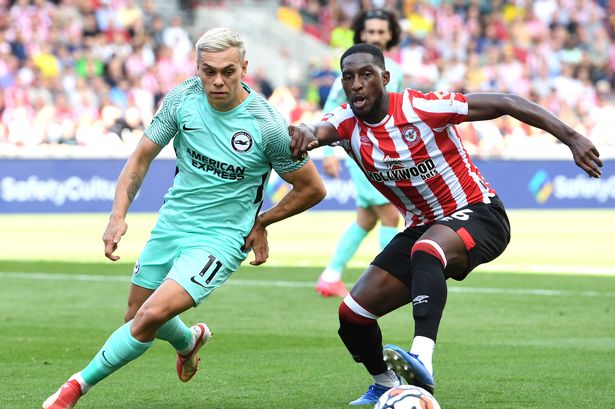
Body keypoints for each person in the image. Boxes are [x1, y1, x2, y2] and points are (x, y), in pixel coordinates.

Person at [289, 43, 602, 405]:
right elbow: (318, 129)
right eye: (348, 77)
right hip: (422, 226)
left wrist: (571, 138)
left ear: (385, 78)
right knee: (353, 315)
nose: (356, 84)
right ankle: (385, 383)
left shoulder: (421, 108)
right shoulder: (346, 123)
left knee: (427, 250)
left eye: (366, 75)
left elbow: (506, 102)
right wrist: (304, 130)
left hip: (480, 213)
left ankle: (422, 359)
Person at [42, 27, 326, 409]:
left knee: (149, 316)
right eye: (209, 71)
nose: (218, 81)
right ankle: (188, 341)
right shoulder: (182, 98)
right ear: (197, 68)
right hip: (173, 222)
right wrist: (117, 215)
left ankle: (74, 388)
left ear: (244, 68)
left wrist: (263, 222)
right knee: (135, 314)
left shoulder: (268, 126)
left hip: (222, 238)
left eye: (228, 71)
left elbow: (312, 188)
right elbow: (140, 158)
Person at [316, 8, 403, 298]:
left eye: (380, 31)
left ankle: (330, 276)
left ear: (390, 35)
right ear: (361, 33)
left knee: (366, 219)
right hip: (363, 153)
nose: (375, 36)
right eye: (370, 31)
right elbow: (331, 108)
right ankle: (391, 280)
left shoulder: (396, 70)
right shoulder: (351, 71)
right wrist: (329, 152)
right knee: (390, 216)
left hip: (385, 153)